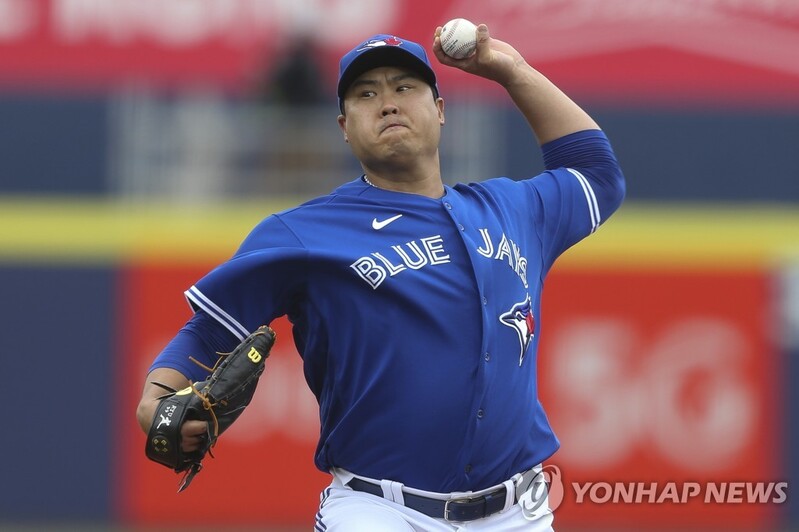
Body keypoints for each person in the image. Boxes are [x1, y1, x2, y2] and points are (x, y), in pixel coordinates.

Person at [136, 23, 625, 531]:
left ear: (439, 110)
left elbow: (597, 174)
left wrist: (510, 71)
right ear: (345, 126)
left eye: (404, 88)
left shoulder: (512, 209)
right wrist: (154, 400)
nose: (388, 103)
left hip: (516, 512)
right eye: (367, 94)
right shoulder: (305, 232)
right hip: (380, 509)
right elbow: (210, 329)